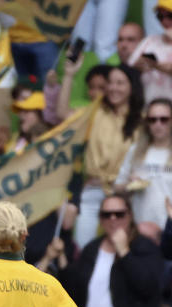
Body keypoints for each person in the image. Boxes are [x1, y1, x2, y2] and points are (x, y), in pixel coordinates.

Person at [57, 61, 143, 248]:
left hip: (125, 195)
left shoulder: (142, 120)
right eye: (110, 83)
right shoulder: (95, 112)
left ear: (132, 87)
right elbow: (62, 112)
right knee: (83, 247)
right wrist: (69, 75)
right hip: (93, 191)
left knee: (121, 250)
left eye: (120, 83)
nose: (113, 88)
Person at [115, 98, 172, 231]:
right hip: (140, 228)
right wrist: (130, 185)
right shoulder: (136, 150)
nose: (158, 124)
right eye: (152, 119)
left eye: (164, 119)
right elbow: (117, 188)